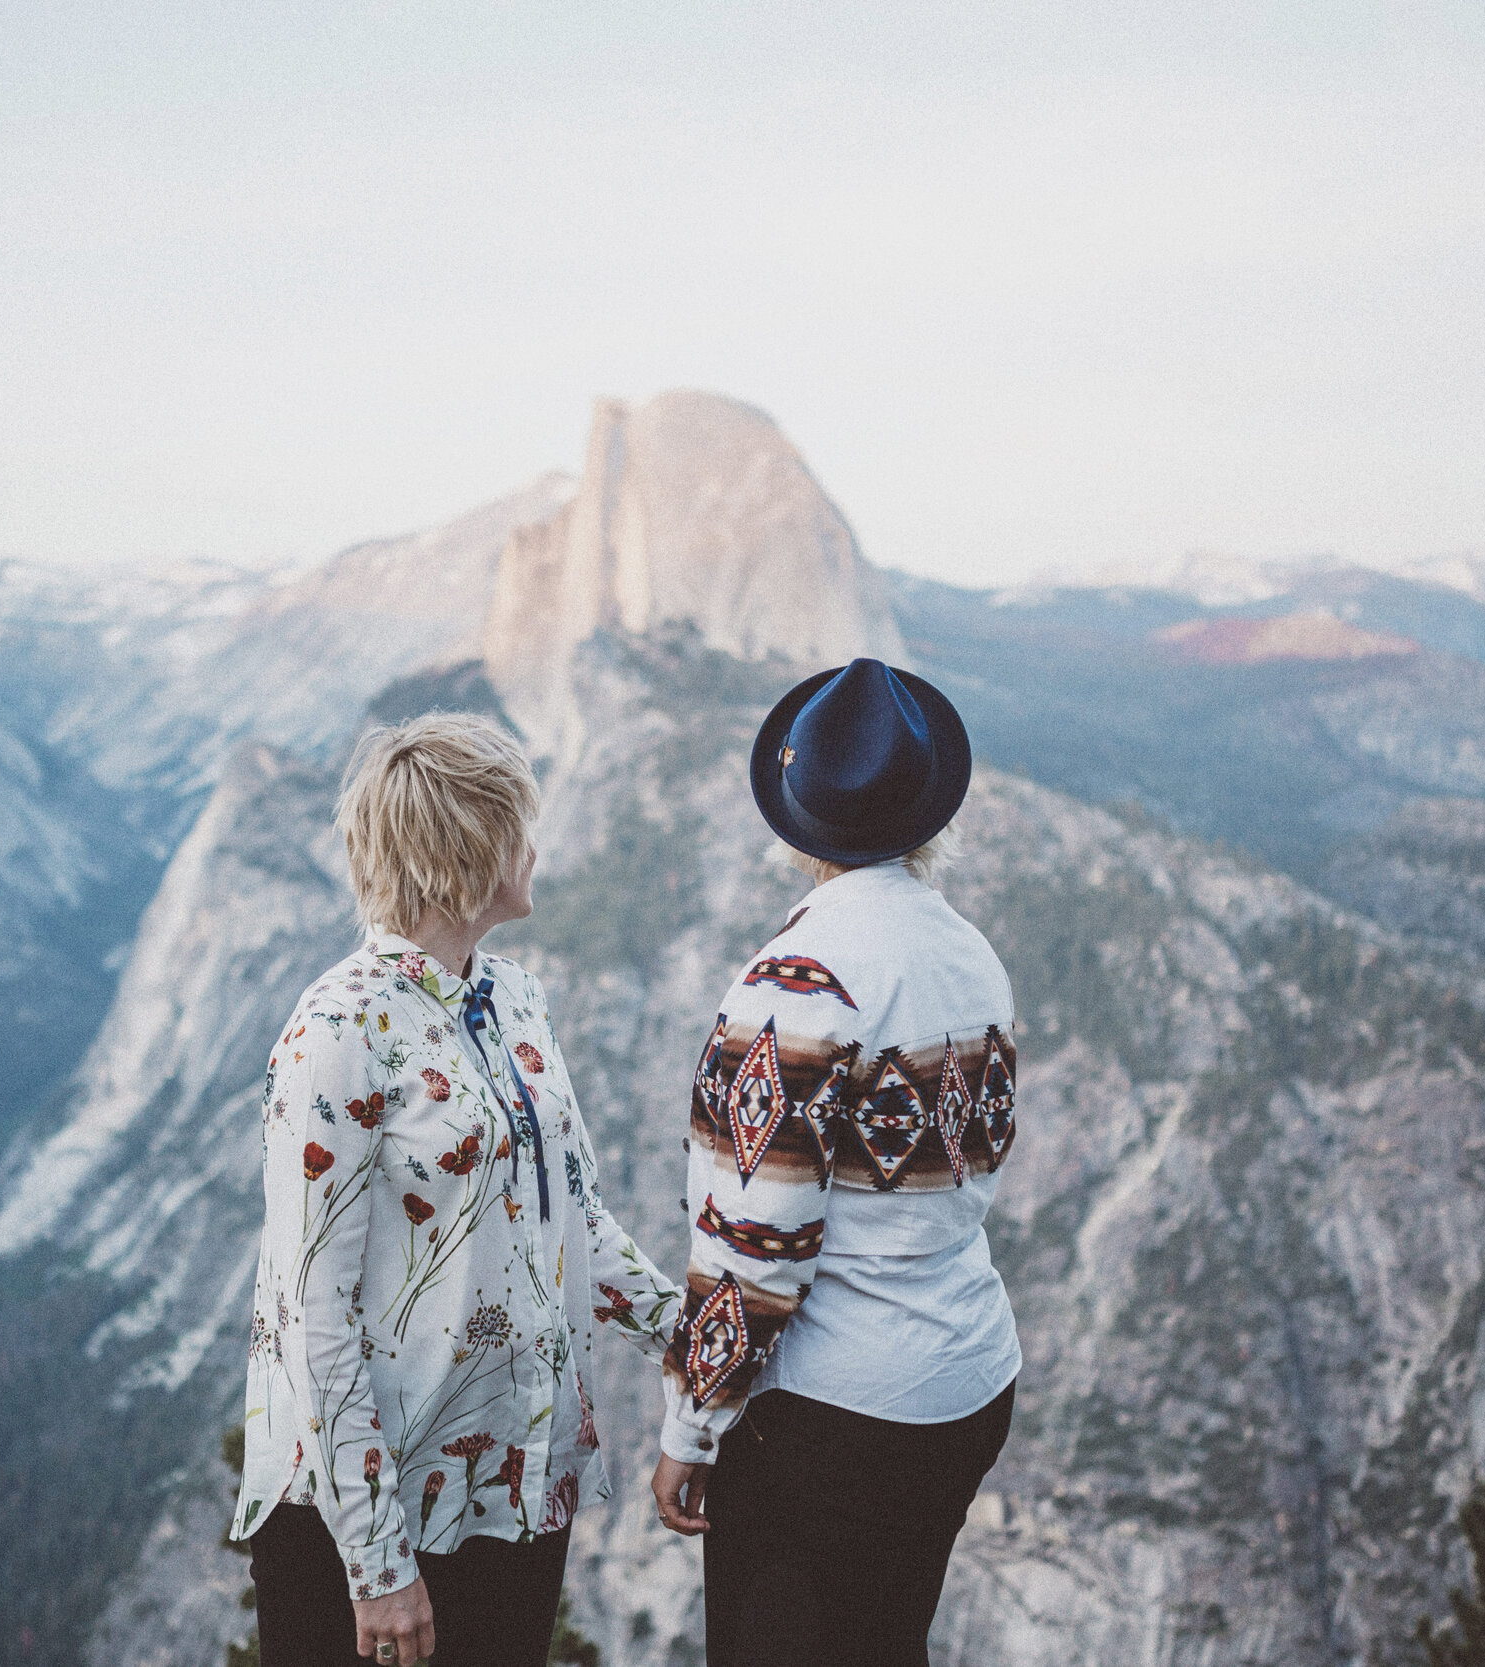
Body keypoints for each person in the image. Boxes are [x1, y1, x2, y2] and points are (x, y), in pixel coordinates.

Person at [232, 714, 681, 1667]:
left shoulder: (512, 997)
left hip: (512, 1484)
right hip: (375, 1512)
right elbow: (313, 1307)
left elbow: (573, 1213)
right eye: (521, 822)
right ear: (467, 847)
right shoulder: (338, 1030)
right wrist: (378, 1563)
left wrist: (681, 1334)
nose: (537, 847)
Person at [651, 658, 1021, 1667]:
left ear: (797, 816)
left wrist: (691, 1424)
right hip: (964, 1378)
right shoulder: (966, 952)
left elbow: (757, 1241)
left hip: (837, 1416)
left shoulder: (798, 981)